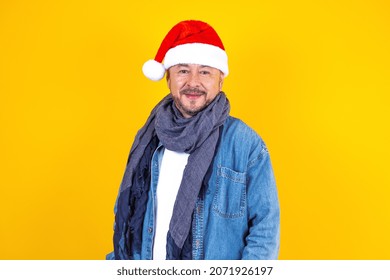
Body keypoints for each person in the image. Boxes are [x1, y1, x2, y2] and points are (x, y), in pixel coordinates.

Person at [107, 20, 280, 260]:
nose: (193, 82)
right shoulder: (148, 138)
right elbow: (125, 214)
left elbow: (265, 230)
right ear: (169, 79)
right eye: (183, 70)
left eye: (205, 71)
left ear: (221, 80)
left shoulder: (245, 144)